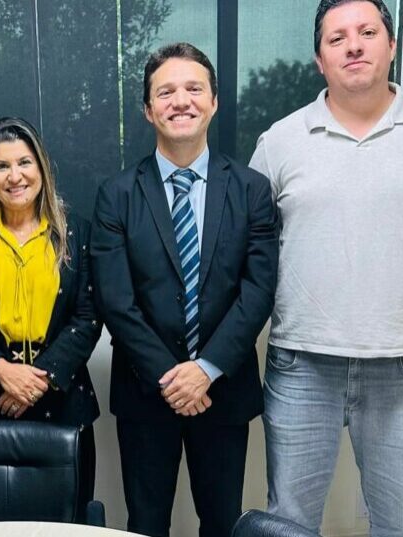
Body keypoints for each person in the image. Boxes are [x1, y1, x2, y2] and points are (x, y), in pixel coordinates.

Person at [248, 1, 403, 535]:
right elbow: (251, 250)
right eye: (337, 38)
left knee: (400, 525)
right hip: (301, 365)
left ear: (391, 45)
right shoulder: (280, 142)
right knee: (287, 524)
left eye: (367, 32)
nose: (353, 46)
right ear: (319, 60)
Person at [90, 43, 278, 537]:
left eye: (194, 89)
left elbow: (258, 290)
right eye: (165, 92)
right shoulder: (117, 194)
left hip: (223, 390)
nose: (181, 101)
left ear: (214, 101)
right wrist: (173, 378)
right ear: (148, 109)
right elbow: (115, 300)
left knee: (221, 521)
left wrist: (205, 369)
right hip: (145, 391)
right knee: (146, 523)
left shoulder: (252, 190)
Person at [0, 117, 101, 519]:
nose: (15, 176)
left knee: (66, 522)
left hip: (63, 402)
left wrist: (38, 379)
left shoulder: (75, 233)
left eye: (24, 162)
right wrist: (2, 370)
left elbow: (89, 314)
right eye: (1, 166)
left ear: (42, 168)